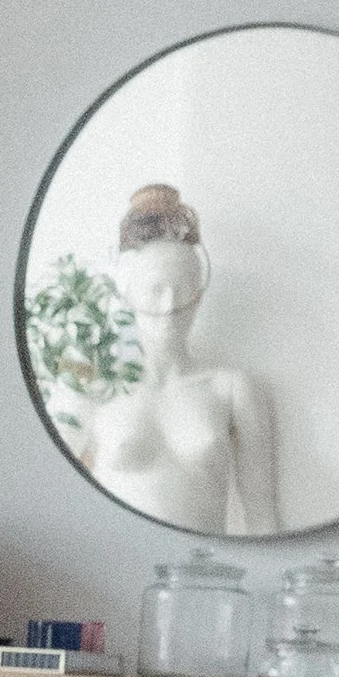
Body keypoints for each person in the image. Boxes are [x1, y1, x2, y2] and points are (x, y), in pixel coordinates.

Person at [86, 182, 280, 534]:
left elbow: (262, 513)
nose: (169, 305)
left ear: (199, 296)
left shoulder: (232, 389)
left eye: (183, 289)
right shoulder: (96, 385)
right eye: (155, 289)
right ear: (130, 294)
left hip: (202, 565)